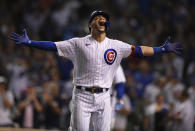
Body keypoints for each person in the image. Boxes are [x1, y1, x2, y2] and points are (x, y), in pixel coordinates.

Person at [10, 10, 182, 131]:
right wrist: (30, 43)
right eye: (97, 17)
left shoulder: (116, 45)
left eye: (104, 18)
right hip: (82, 96)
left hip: (104, 97)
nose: (101, 19)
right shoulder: (77, 43)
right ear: (90, 24)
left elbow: (139, 50)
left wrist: (161, 49)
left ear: (106, 24)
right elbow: (53, 46)